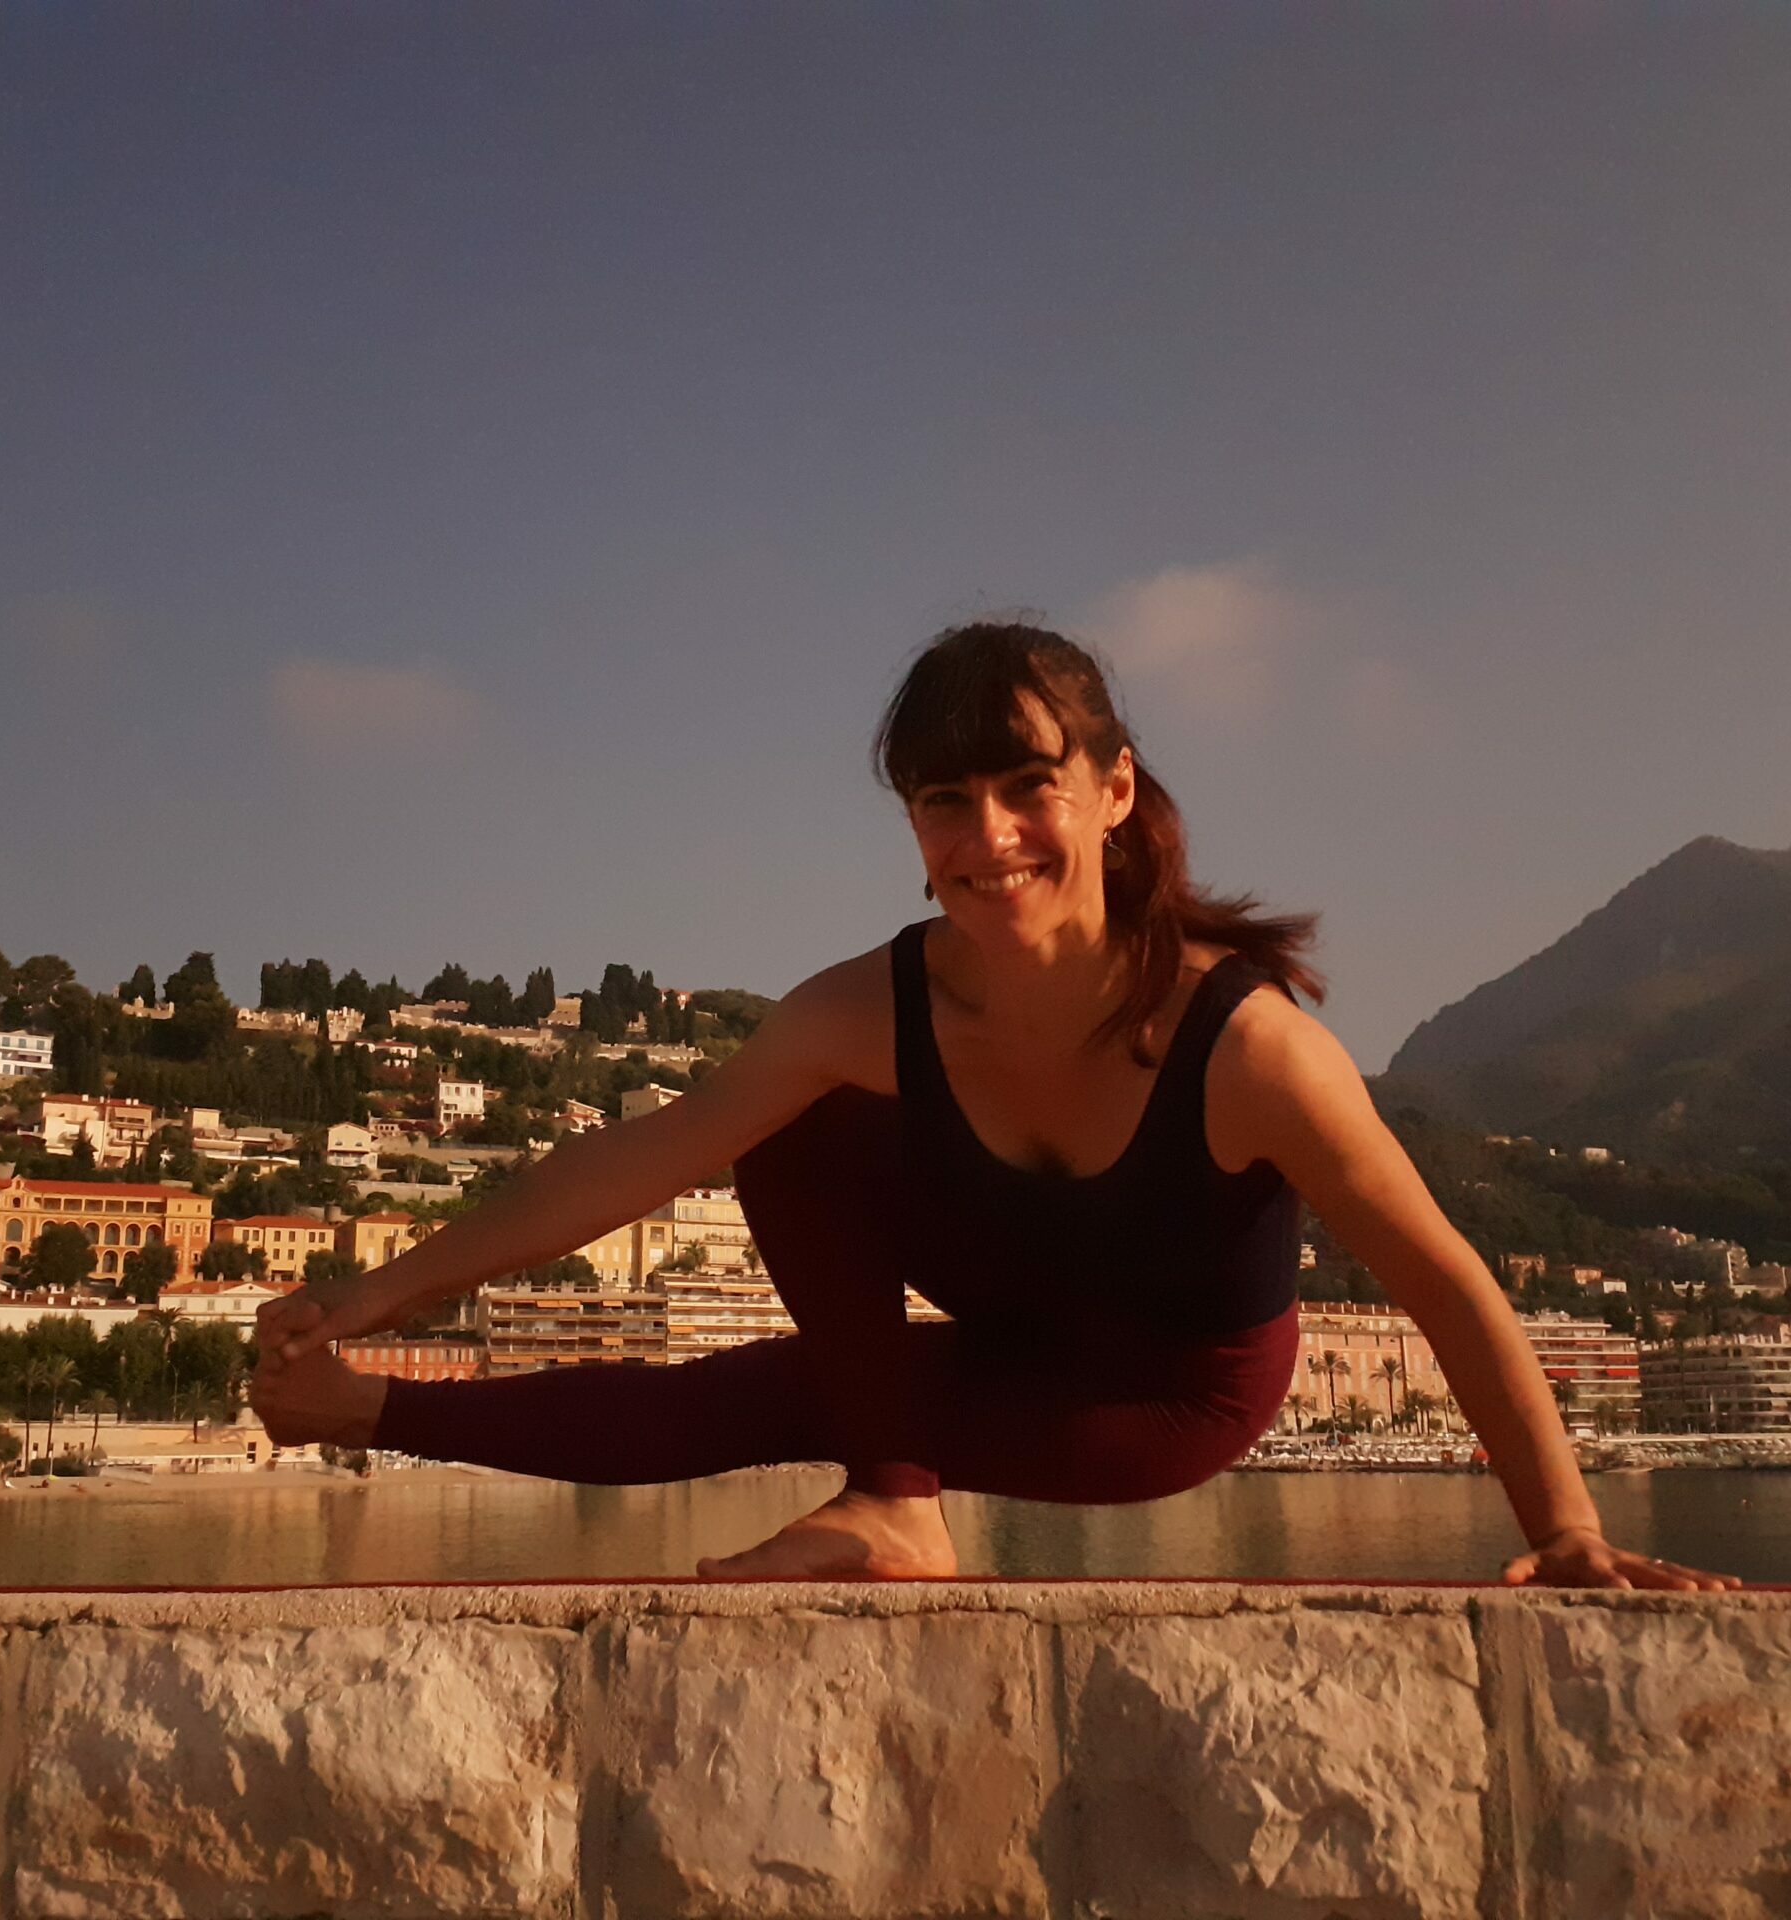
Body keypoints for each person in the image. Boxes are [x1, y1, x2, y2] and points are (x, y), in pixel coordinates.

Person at [252, 620, 1736, 1590]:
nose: (990, 836)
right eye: (945, 802)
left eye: (1028, 786)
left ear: (1111, 790)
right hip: (1015, 1332)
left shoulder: (1244, 1048)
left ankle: (883, 1494)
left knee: (784, 1392)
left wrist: (1568, 1532)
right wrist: (369, 1302)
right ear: (912, 825)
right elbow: (634, 1162)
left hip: (1169, 1398)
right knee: (790, 1136)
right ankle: (891, 1501)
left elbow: (1448, 1285)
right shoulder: (866, 1012)